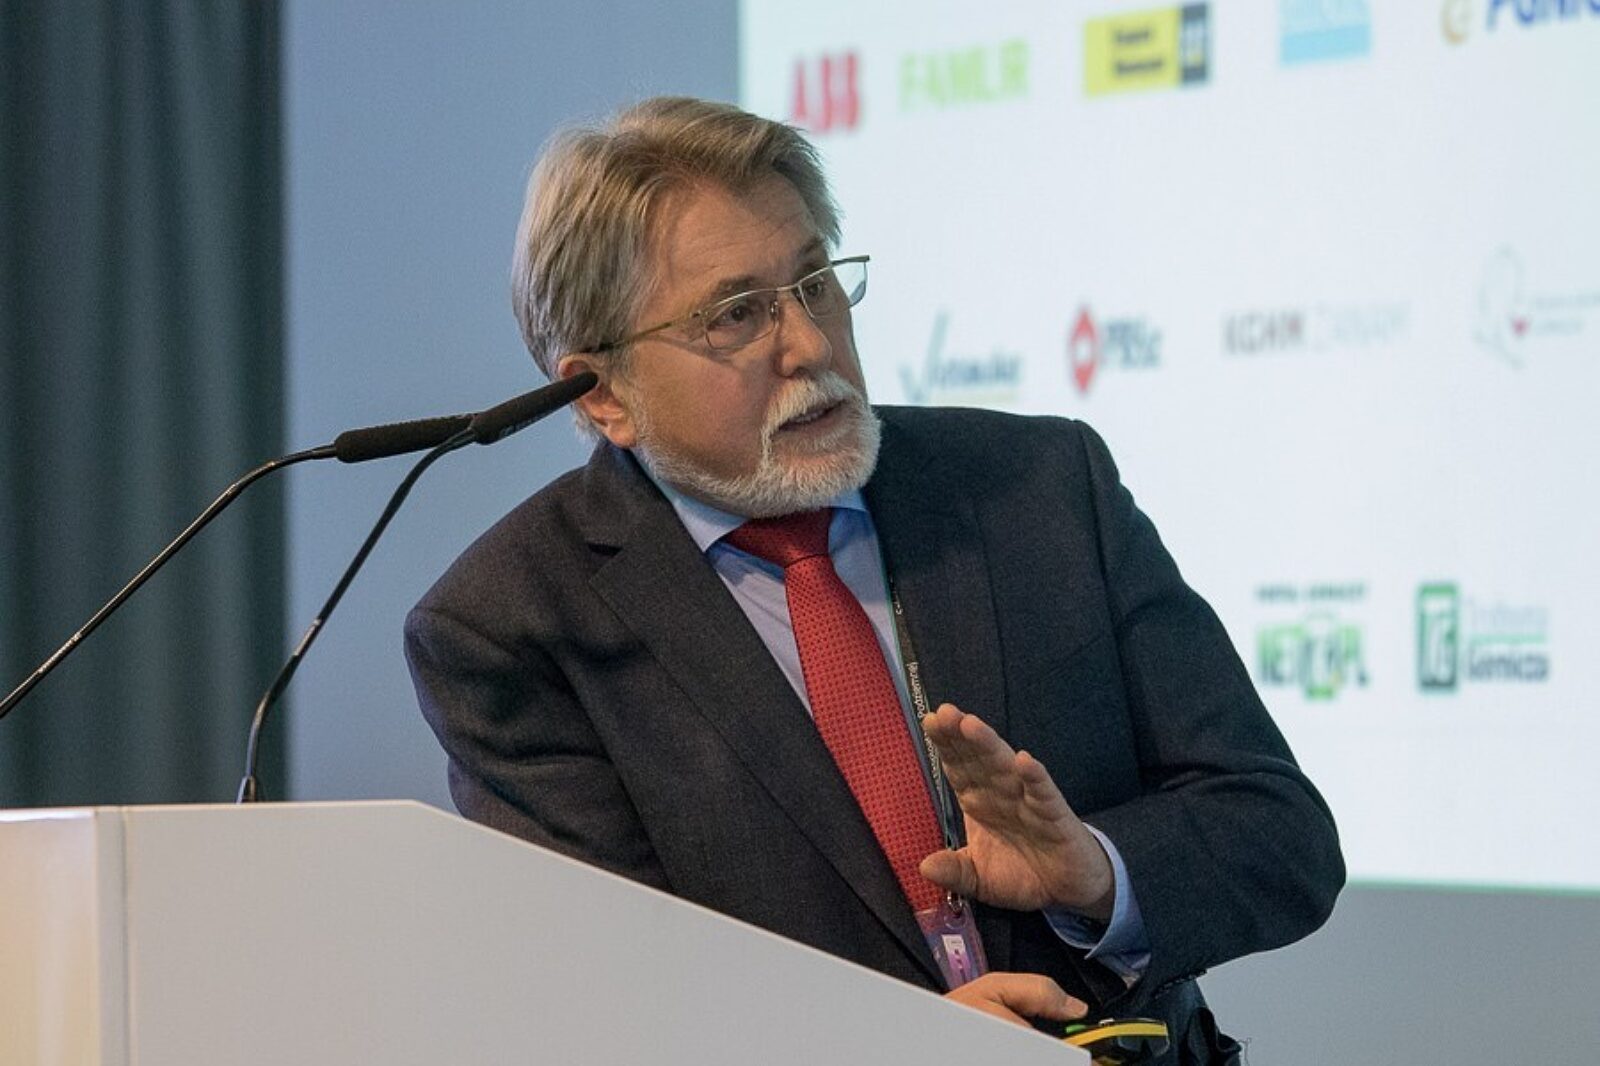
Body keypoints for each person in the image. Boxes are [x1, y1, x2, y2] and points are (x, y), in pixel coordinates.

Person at [405, 96, 1343, 1063]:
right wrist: (894, 1046)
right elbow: (609, 1012)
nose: (809, 345)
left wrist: (1096, 877)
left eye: (815, 283)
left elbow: (1281, 837)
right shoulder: (512, 626)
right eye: (736, 314)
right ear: (604, 393)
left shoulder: (1041, 489)